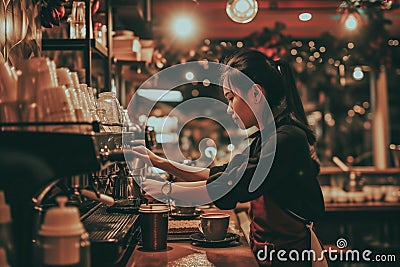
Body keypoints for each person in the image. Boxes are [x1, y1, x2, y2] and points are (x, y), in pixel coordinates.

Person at [132, 49, 326, 267]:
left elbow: (231, 187)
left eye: (231, 99)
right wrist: (161, 162)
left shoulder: (287, 138)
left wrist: (165, 191)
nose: (229, 109)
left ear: (255, 93)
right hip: (270, 251)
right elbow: (223, 175)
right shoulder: (267, 137)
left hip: (290, 255)